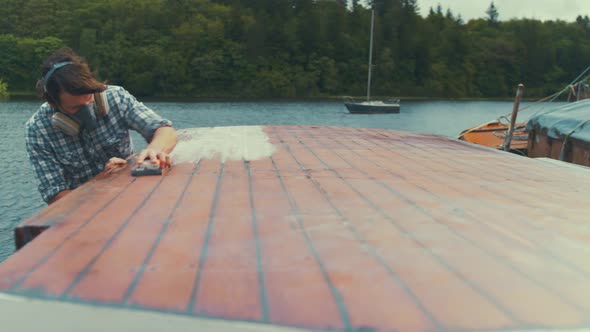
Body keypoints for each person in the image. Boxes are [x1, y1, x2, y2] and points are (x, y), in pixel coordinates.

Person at [25, 47, 177, 205]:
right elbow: (55, 196)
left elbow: (164, 130)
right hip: (85, 211)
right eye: (75, 108)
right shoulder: (37, 130)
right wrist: (101, 182)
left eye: (89, 98)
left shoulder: (116, 98)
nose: (86, 110)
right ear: (52, 103)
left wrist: (155, 149)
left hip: (131, 197)